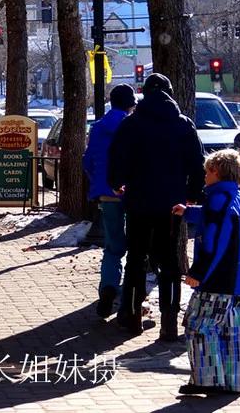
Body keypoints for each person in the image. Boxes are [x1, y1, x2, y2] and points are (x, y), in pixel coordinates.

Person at [108, 73, 204, 340]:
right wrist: (193, 194)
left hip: (138, 201)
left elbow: (117, 159)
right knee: (170, 263)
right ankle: (168, 323)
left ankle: (132, 315)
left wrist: (117, 183)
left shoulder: (131, 124)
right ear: (171, 93)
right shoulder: (183, 125)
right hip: (172, 204)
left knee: (136, 259)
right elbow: (197, 163)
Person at [172, 149, 240, 396]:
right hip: (236, 280)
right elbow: (215, 219)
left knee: (199, 327)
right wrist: (188, 212)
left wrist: (198, 272)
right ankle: (232, 382)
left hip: (217, 278)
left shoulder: (218, 200)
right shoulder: (235, 198)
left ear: (216, 172)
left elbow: (213, 239)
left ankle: (206, 380)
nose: (204, 176)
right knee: (231, 332)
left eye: (207, 172)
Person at [82, 84, 137, 318]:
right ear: (130, 104)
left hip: (107, 193)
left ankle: (107, 288)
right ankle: (129, 300)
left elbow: (88, 161)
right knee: (136, 246)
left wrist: (99, 183)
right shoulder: (133, 126)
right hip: (133, 193)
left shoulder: (98, 128)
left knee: (113, 246)